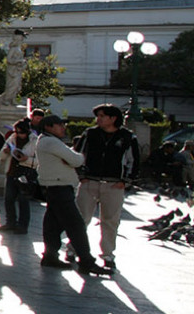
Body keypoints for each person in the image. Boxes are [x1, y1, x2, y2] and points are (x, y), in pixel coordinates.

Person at [36, 115, 113, 276]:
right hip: (59, 187)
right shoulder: (51, 142)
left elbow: (70, 159)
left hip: (55, 186)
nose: (63, 128)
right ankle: (86, 261)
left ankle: (50, 256)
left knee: (53, 225)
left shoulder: (46, 140)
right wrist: (75, 157)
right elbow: (77, 160)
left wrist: (70, 158)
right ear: (49, 127)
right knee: (75, 225)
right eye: (60, 125)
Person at [72, 103, 139, 272]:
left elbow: (134, 161)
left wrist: (126, 180)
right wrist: (82, 175)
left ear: (113, 118)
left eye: (102, 116)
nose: (98, 119)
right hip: (90, 182)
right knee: (81, 218)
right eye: (98, 116)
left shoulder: (128, 137)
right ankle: (73, 249)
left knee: (110, 220)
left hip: (114, 184)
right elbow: (77, 154)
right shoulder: (90, 134)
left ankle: (108, 255)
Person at [0, 119, 37, 235]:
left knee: (23, 200)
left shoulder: (35, 141)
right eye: (17, 132)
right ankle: (10, 222)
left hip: (26, 173)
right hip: (12, 172)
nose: (20, 135)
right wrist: (6, 151)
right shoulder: (12, 138)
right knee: (9, 199)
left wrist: (27, 159)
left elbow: (39, 161)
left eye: (22, 132)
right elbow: (1, 156)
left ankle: (22, 225)